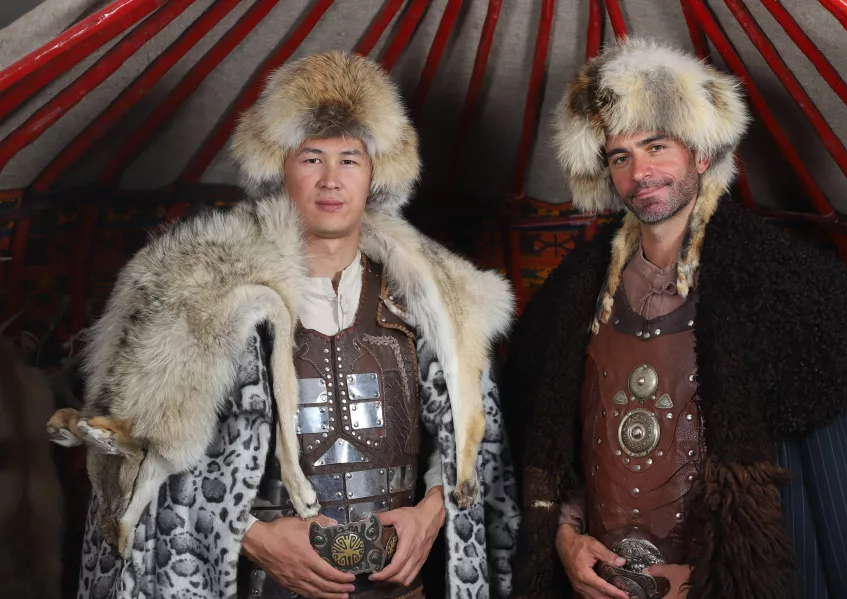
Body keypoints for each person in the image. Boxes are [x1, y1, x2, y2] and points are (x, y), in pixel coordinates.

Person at [48, 51, 520, 599]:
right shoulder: (200, 293)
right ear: (280, 168)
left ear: (375, 173)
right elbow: (139, 469)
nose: (331, 180)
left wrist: (432, 511)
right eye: (311, 157)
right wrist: (249, 534)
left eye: (349, 159)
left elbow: (477, 445)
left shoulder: (438, 298)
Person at [506, 38, 847, 599]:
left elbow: (846, 509)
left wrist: (719, 577)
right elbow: (553, 443)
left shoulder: (794, 292)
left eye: (656, 146)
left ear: (702, 153)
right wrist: (566, 540)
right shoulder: (572, 295)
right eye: (620, 156)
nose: (641, 172)